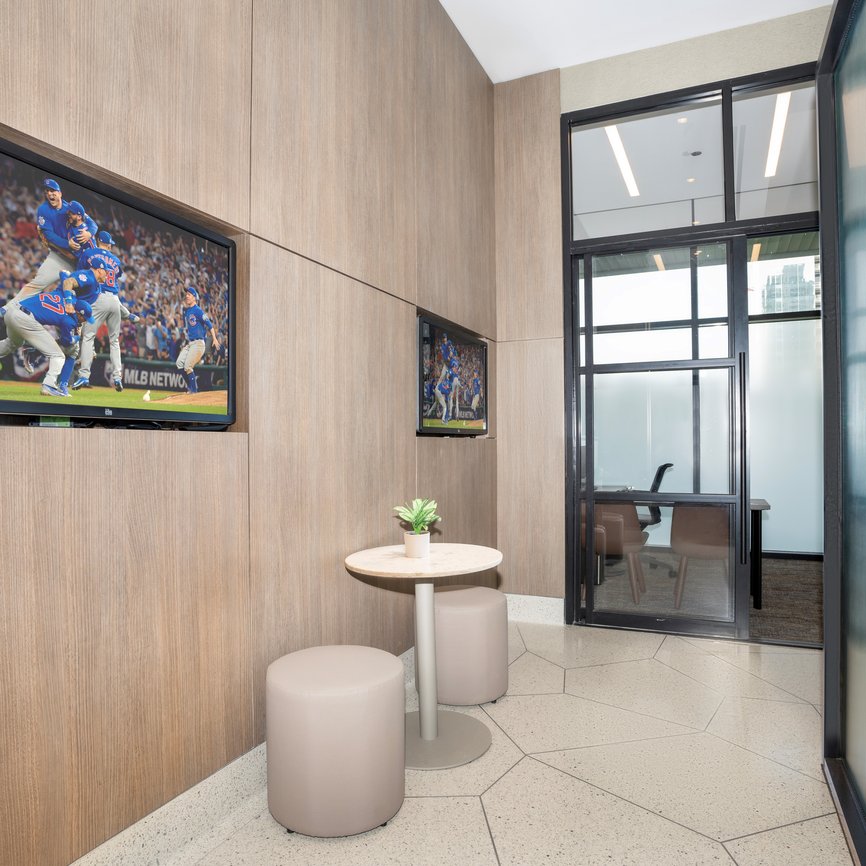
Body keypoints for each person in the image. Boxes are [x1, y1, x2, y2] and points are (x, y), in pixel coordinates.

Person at [74, 230, 139, 392]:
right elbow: (118, 274)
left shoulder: (89, 253)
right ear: (108, 243)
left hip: (98, 297)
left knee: (88, 337)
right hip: (115, 300)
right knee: (114, 341)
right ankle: (117, 377)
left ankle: (84, 376)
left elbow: (80, 272)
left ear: (97, 240)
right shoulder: (115, 259)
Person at [9, 178, 85, 304]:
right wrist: (67, 244)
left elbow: (91, 224)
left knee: (83, 296)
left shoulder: (69, 207)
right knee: (38, 283)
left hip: (78, 260)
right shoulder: (43, 210)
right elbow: (49, 235)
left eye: (53, 191)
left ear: (60, 193)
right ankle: (9, 307)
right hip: (58, 257)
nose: (50, 194)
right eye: (47, 191)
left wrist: (89, 233)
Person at [0, 293, 93, 396]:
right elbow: (66, 342)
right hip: (25, 319)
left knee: (12, 343)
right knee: (58, 355)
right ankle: (49, 386)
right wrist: (77, 337)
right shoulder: (68, 320)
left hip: (12, 310)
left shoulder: (65, 297)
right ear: (78, 313)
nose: (85, 321)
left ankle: (33, 353)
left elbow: (64, 283)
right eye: (84, 317)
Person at [176, 286, 220, 394]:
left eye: (189, 294)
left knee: (187, 366)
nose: (186, 296)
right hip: (191, 343)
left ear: (194, 297)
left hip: (199, 343)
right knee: (179, 363)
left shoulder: (198, 310)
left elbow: (209, 325)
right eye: (186, 294)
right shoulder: (187, 311)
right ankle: (191, 387)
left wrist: (214, 338)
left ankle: (193, 390)